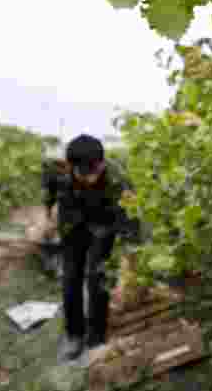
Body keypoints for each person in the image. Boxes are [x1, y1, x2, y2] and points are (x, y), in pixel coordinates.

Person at [44, 134, 140, 363]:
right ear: (71, 168)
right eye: (85, 173)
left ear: (102, 163)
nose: (92, 177)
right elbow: (51, 201)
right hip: (73, 221)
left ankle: (96, 338)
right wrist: (49, 219)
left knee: (97, 276)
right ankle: (74, 335)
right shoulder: (60, 176)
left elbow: (130, 228)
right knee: (70, 277)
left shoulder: (118, 180)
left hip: (104, 223)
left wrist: (128, 271)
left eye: (96, 171)